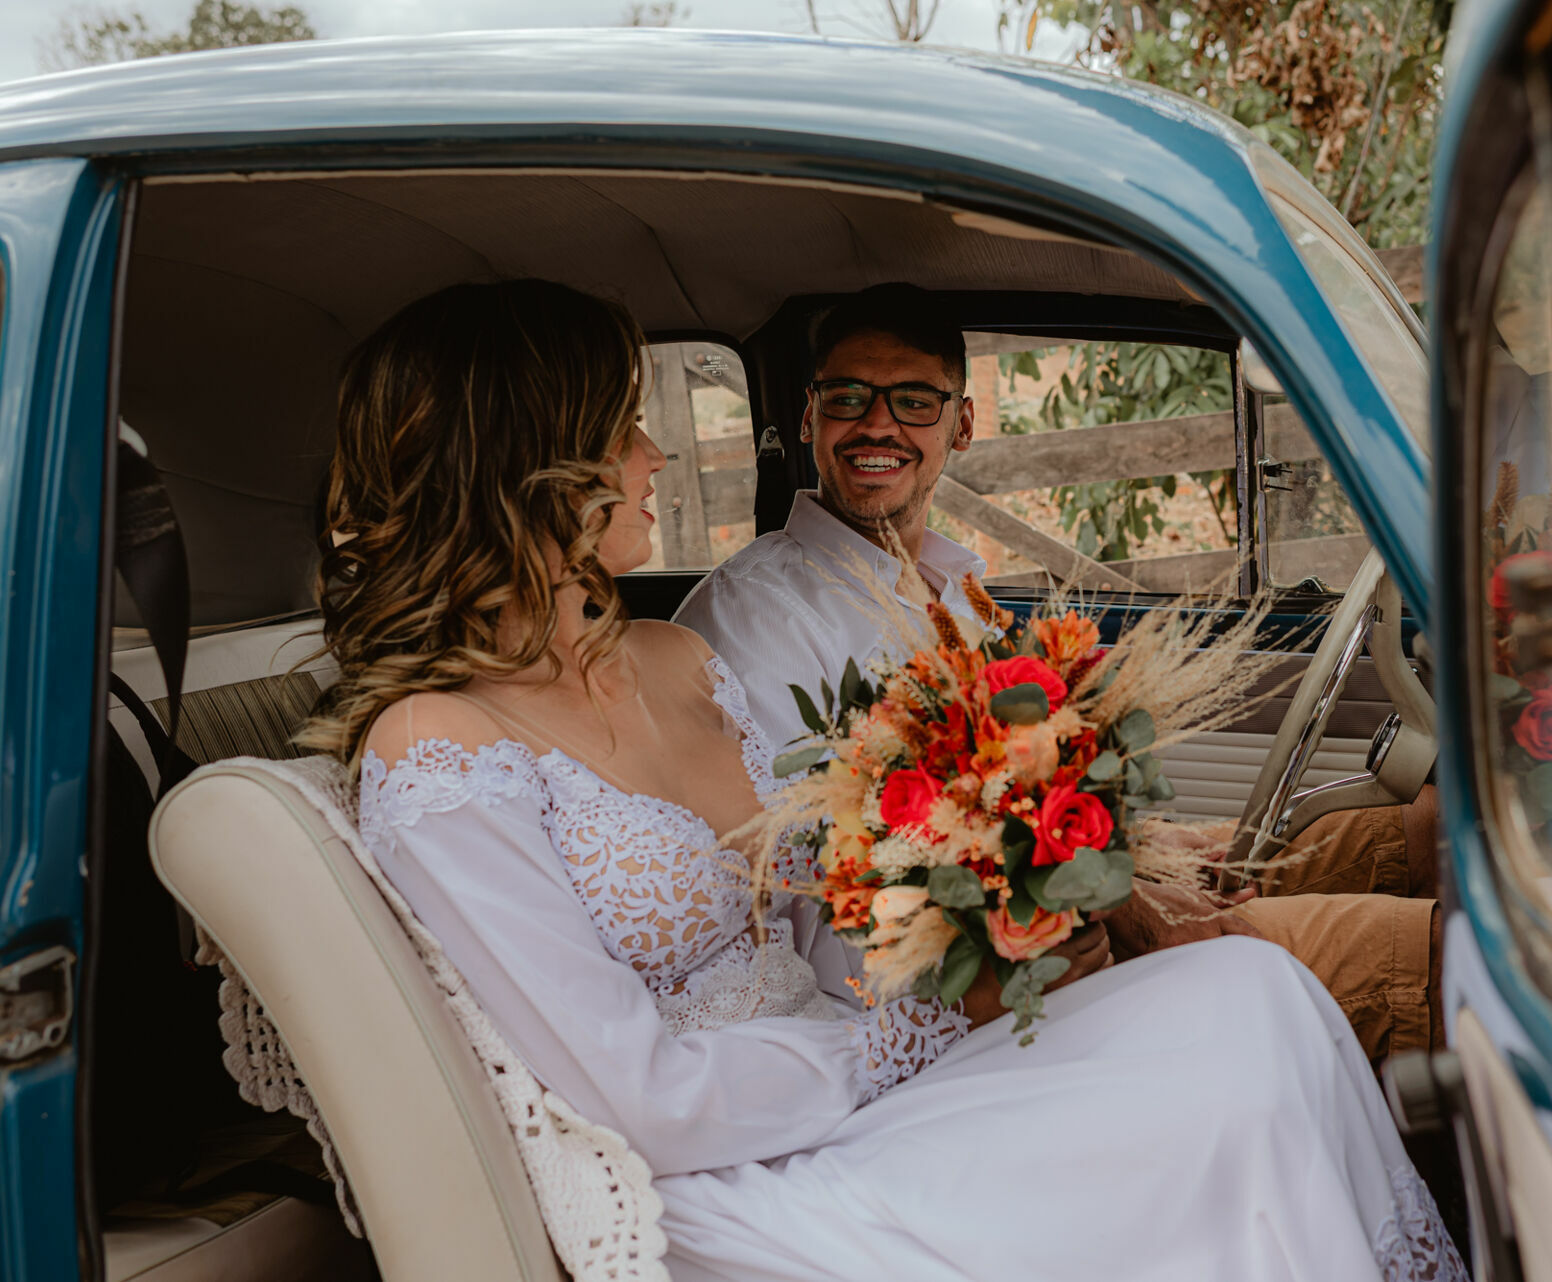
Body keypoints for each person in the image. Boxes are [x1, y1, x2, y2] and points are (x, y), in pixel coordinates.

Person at [308, 279, 1465, 1281]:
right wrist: (904, 1043)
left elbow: (819, 913)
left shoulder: (673, 660)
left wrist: (985, 943)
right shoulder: (439, 752)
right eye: (624, 428)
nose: (658, 455)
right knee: (1238, 1034)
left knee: (1250, 1000)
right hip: (739, 1173)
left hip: (855, 1064)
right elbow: (639, 1098)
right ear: (529, 471)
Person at [677, 283, 1443, 1061]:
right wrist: (1122, 906)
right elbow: (826, 880)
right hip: (973, 981)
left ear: (962, 424)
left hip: (1068, 906)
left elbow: (1009, 797)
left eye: (914, 400)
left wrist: (1141, 850)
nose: (878, 424)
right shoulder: (758, 614)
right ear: (810, 417)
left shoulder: (954, 590)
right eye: (847, 397)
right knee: (1419, 954)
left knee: (1415, 836)